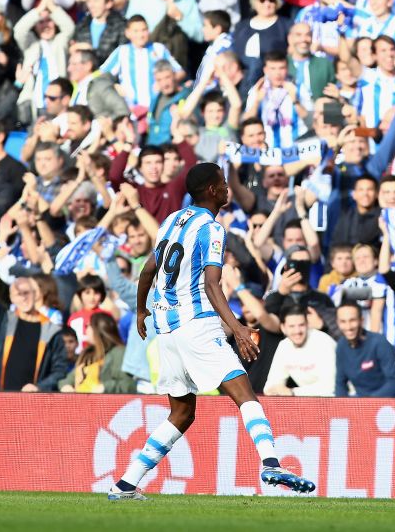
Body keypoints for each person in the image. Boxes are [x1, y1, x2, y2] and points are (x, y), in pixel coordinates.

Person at [108, 162, 314, 500]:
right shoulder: (212, 229)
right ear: (212, 191)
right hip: (196, 324)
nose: (227, 188)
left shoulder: (171, 221)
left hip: (166, 330)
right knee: (244, 394)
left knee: (182, 412)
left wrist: (142, 309)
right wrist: (237, 328)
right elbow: (213, 284)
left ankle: (127, 483)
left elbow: (148, 269)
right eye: (223, 183)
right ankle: (271, 462)